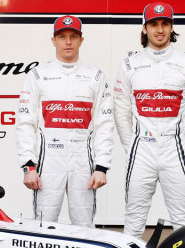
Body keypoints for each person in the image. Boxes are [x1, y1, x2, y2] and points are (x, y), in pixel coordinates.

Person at [114, 2, 185, 237]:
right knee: (134, 219)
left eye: (165, 23)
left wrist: (182, 143)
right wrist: (132, 144)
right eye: (154, 24)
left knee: (183, 220)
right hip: (141, 149)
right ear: (144, 29)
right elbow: (121, 109)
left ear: (172, 27)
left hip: (174, 148)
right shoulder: (130, 64)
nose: (160, 29)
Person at [15, 15, 114, 227]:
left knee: (84, 225)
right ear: (53, 40)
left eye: (73, 36)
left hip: (83, 162)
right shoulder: (38, 75)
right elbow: (25, 123)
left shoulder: (95, 76)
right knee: (43, 224)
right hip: (49, 161)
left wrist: (102, 166)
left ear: (81, 40)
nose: (68, 42)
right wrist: (28, 166)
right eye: (62, 36)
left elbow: (104, 124)